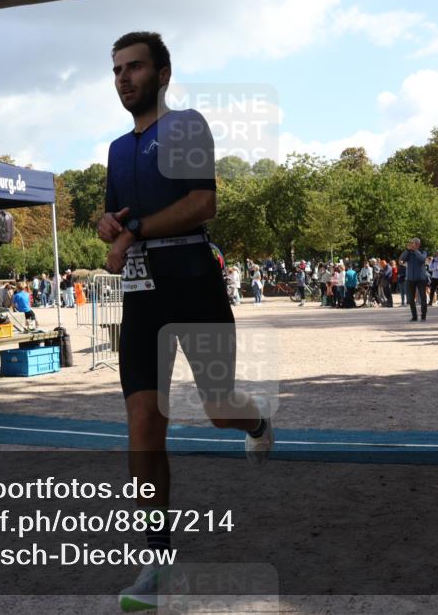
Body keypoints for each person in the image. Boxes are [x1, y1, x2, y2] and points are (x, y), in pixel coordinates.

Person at [97, 31, 273, 612]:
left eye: (135, 67)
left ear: (163, 73)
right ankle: (157, 561)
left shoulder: (187, 126)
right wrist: (108, 225)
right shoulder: (118, 151)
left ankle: (256, 425)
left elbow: (204, 203)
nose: (124, 77)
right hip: (143, 295)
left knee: (219, 407)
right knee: (144, 420)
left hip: (194, 282)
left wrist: (135, 231)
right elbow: (116, 213)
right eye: (117, 69)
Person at [399, 237, 429, 322]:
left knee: (423, 298)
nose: (413, 245)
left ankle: (423, 316)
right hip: (410, 279)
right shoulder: (409, 253)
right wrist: (407, 250)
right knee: (410, 298)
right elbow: (401, 259)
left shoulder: (423, 252)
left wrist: (415, 250)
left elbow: (422, 259)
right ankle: (414, 316)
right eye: (412, 243)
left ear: (418, 244)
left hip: (421, 278)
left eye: (415, 243)